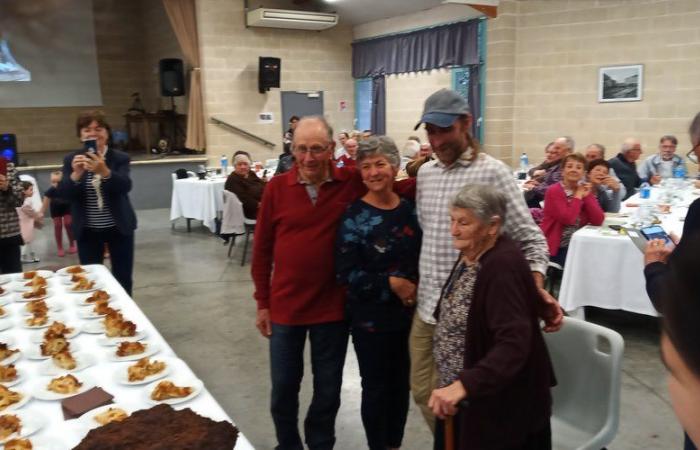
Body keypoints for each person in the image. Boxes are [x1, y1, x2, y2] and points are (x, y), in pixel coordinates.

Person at [252, 116, 414, 450]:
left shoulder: (349, 182)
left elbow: (386, 186)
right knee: (283, 388)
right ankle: (288, 444)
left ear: (330, 149)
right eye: (300, 149)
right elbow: (262, 250)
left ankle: (320, 443)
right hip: (285, 308)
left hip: (332, 309)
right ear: (292, 149)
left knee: (328, 390)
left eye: (316, 149)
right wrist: (263, 302)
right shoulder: (277, 188)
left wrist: (430, 177)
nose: (308, 158)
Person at [411, 88, 561, 432]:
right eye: (430, 131)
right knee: (424, 393)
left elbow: (531, 239)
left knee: (469, 401)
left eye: (443, 130)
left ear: (465, 124)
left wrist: (532, 288)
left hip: (475, 316)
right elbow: (429, 233)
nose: (436, 140)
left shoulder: (493, 172)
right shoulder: (426, 175)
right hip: (429, 309)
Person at [428, 184, 554, 450]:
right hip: (464, 393)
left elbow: (514, 343)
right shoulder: (475, 251)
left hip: (493, 403)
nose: (453, 230)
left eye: (463, 222)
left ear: (492, 225)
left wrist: (465, 384)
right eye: (452, 220)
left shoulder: (501, 265)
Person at [335, 136, 421, 450]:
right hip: (370, 321)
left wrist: (413, 288)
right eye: (367, 166)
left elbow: (418, 259)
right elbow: (346, 274)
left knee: (400, 386)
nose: (373, 172)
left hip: (408, 316)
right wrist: (392, 284)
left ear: (395, 167)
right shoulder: (353, 216)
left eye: (380, 164)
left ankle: (394, 445)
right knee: (375, 387)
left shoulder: (410, 210)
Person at [58, 110, 137, 295]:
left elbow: (125, 186)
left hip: (119, 228)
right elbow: (64, 194)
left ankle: (125, 318)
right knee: (91, 279)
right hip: (88, 231)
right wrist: (75, 175)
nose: (93, 133)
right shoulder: (71, 159)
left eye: (99, 128)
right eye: (87, 129)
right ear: (80, 136)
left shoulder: (119, 158)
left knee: (123, 277)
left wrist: (105, 172)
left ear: (107, 134)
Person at [540, 153, 604, 266]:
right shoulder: (554, 191)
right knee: (589, 263)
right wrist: (578, 196)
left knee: (601, 257)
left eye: (578, 167)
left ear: (584, 173)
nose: (574, 170)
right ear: (562, 171)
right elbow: (568, 219)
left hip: (580, 243)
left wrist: (588, 196)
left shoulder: (582, 190)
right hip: (558, 247)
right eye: (569, 166)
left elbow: (598, 220)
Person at [523, 136, 573, 207]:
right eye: (548, 152)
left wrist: (534, 187)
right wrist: (538, 184)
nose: (554, 151)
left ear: (568, 151)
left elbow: (557, 189)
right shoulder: (558, 163)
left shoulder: (567, 166)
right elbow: (550, 182)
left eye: (557, 148)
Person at [42, 171, 76, 257]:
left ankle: (72, 244)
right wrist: (41, 213)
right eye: (53, 182)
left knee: (68, 223)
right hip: (55, 208)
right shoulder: (51, 190)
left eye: (58, 182)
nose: (56, 184)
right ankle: (60, 247)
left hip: (66, 206)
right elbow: (46, 198)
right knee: (58, 226)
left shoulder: (66, 187)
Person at [224, 153, 265, 220]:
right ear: (235, 166)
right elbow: (244, 200)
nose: (243, 167)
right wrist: (261, 204)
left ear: (249, 166)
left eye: (245, 164)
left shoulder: (250, 173)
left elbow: (262, 184)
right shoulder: (233, 179)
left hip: (262, 204)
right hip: (250, 211)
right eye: (239, 164)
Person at [0, 162, 24, 274]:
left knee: (13, 279)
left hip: (8, 236)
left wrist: (7, 189)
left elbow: (19, 201)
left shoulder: (8, 168)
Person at [16, 181, 43, 263]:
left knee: (29, 240)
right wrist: (38, 215)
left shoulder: (20, 200)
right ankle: (22, 256)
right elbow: (30, 211)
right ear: (24, 191)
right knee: (26, 240)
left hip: (24, 222)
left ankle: (32, 254)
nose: (33, 191)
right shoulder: (27, 202)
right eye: (31, 190)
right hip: (26, 223)